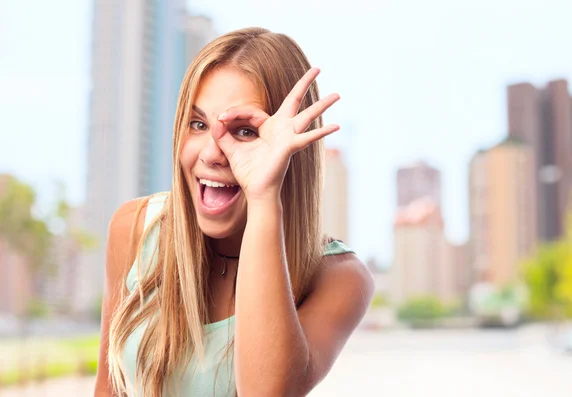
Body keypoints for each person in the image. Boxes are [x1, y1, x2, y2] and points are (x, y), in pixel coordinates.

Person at [94, 27, 374, 397]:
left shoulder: (339, 277)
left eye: (244, 132)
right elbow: (107, 390)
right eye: (197, 124)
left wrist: (262, 196)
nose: (211, 153)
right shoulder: (135, 228)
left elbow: (266, 392)